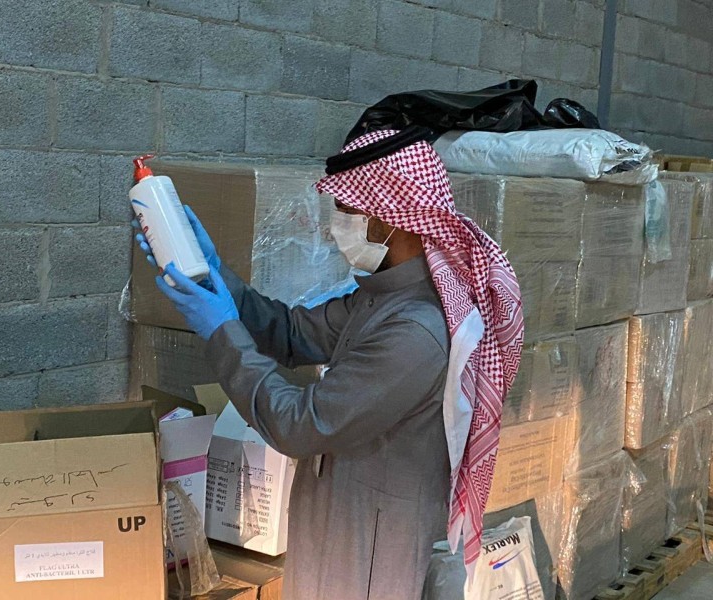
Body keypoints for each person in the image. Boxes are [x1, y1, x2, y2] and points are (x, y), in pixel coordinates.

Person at [136, 129, 523, 599]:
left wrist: (220, 331)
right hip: (338, 521)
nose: (335, 227)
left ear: (390, 220)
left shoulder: (416, 331)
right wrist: (217, 277)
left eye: (347, 211)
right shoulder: (385, 298)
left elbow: (300, 426)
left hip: (373, 549)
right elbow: (291, 333)